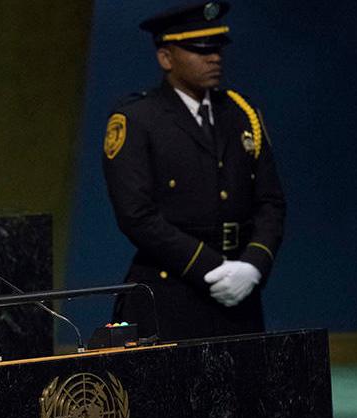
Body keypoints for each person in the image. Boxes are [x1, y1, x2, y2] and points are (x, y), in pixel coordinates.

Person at [102, 2, 286, 340]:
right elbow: (136, 215)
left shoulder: (241, 114)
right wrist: (209, 266)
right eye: (199, 50)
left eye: (217, 48)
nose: (214, 57)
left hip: (240, 293)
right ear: (166, 58)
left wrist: (253, 265)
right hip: (170, 291)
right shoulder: (139, 119)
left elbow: (271, 202)